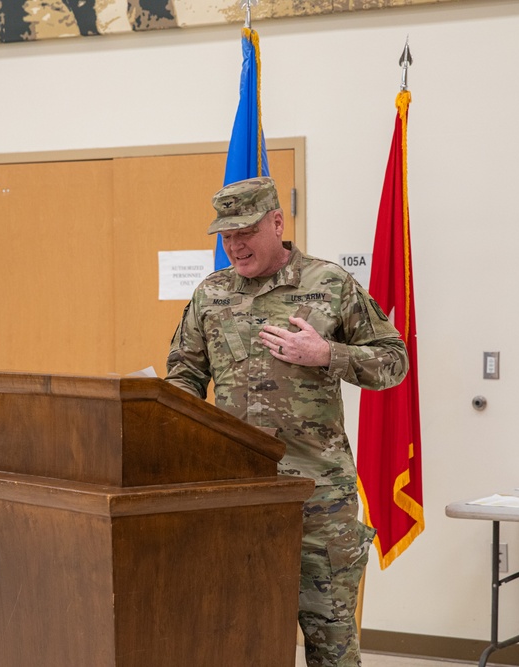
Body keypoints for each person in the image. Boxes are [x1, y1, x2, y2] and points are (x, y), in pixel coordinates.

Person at [165, 176, 409, 667]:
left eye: (245, 231)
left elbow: (394, 360)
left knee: (332, 645)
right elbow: (184, 376)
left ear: (277, 223)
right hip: (238, 495)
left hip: (318, 496)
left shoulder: (328, 284)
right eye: (225, 235)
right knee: (242, 637)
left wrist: (328, 354)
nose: (234, 245)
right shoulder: (211, 294)